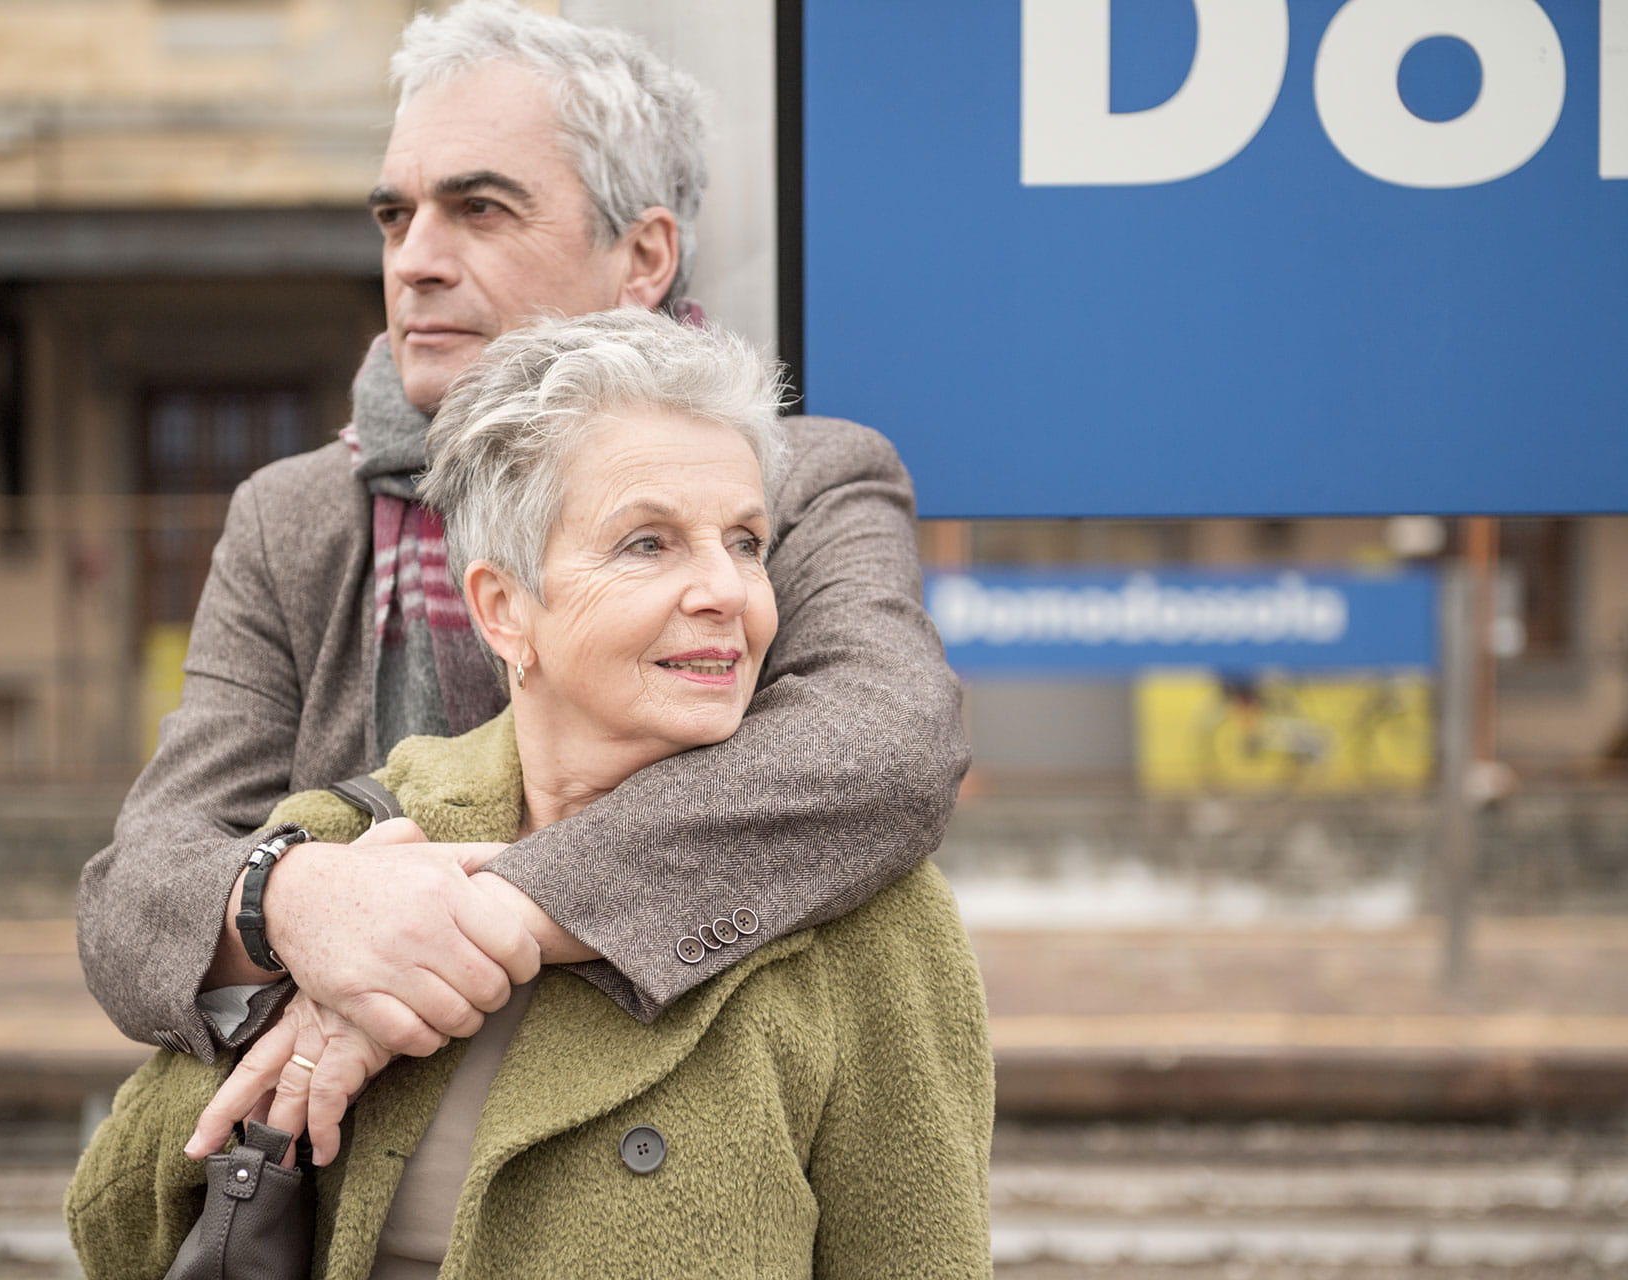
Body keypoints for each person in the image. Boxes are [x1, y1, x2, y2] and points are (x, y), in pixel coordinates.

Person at [74, 0, 967, 1102]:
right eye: (395, 218)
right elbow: (134, 896)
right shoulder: (294, 514)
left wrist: (477, 918)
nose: (416, 262)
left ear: (642, 255)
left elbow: (884, 748)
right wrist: (299, 903)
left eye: (479, 209)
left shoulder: (801, 475)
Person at [66, 311, 994, 1279]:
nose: (728, 588)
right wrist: (291, 1020)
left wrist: (460, 938)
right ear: (505, 608)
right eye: (648, 543)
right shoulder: (350, 850)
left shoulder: (872, 919)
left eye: (748, 542)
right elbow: (119, 1219)